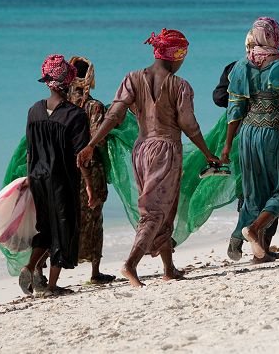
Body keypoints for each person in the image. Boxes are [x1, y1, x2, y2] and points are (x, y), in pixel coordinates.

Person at [77, 29, 220, 287]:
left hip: (141, 150)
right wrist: (208, 153)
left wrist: (91, 144)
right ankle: (130, 264)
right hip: (166, 150)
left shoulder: (132, 79)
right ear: (176, 55)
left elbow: (114, 115)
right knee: (155, 212)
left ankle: (169, 268)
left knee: (164, 208)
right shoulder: (180, 86)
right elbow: (189, 124)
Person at [220, 17, 279, 261]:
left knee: (254, 193)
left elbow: (234, 111)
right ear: (275, 36)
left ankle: (246, 243)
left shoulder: (241, 67)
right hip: (275, 133)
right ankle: (252, 230)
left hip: (248, 134)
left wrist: (228, 144)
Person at [19, 55, 96, 297]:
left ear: (47, 82)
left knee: (44, 228)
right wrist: (89, 184)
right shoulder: (75, 115)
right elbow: (81, 157)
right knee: (64, 229)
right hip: (62, 180)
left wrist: (30, 179)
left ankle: (29, 266)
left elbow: (30, 150)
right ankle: (51, 286)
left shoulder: (34, 111)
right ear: (70, 83)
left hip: (37, 178)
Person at [214, 61, 279, 262]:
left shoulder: (235, 68)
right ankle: (259, 246)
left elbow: (218, 97)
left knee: (249, 191)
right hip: (271, 135)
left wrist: (238, 98)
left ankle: (247, 242)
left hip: (242, 136)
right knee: (274, 190)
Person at [67, 56, 116, 285]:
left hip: (65, 168)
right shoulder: (94, 106)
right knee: (94, 217)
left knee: (65, 216)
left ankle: (48, 268)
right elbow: (98, 140)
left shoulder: (60, 105)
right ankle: (95, 271)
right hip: (91, 168)